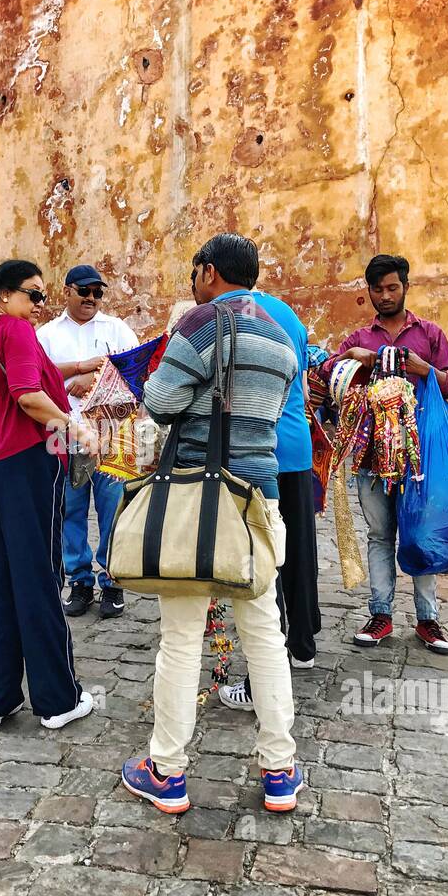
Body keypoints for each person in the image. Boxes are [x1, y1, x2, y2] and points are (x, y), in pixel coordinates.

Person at [121, 234, 304, 816]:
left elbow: (160, 401)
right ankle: (280, 771)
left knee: (180, 638)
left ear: (207, 272)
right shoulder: (281, 339)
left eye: (193, 270)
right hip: (260, 501)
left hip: (199, 502)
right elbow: (269, 416)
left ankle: (167, 772)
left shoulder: (201, 323)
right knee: (265, 634)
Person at [0, 260, 99, 730]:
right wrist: (74, 425)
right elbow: (26, 395)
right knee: (39, 576)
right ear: (3, 294)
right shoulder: (16, 332)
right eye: (33, 294)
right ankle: (57, 699)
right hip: (27, 462)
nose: (40, 304)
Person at [195, 235, 319, 714]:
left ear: (210, 271)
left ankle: (263, 668)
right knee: (295, 550)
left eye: (196, 275)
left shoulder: (219, 318)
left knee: (256, 562)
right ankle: (302, 645)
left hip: (251, 451)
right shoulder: (284, 313)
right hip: (294, 444)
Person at [314, 254, 448, 655]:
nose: (384, 296)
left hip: (418, 456)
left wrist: (423, 368)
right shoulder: (360, 338)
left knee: (422, 532)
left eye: (391, 287)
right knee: (380, 534)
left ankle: (428, 620)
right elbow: (327, 374)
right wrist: (350, 358)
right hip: (369, 457)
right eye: (377, 289)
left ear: (405, 287)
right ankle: (380, 614)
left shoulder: (429, 334)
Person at [35, 264, 138, 619]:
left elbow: (136, 374)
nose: (91, 298)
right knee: (69, 511)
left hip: (111, 436)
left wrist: (94, 377)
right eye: (84, 291)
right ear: (67, 291)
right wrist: (79, 369)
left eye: (97, 293)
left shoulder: (117, 329)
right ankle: (79, 580)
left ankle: (112, 581)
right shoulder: (46, 335)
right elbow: (35, 379)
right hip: (62, 436)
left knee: (113, 511)